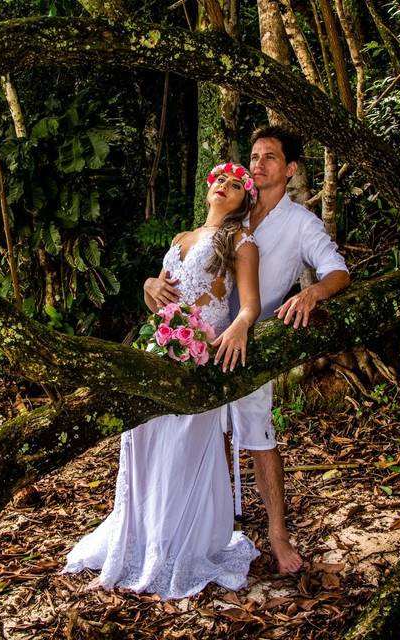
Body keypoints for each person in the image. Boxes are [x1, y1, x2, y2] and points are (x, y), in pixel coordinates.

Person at [144, 127, 350, 574]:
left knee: (258, 438)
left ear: (290, 169)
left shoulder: (301, 224)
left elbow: (337, 270)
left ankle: (277, 535)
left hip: (253, 344)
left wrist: (311, 295)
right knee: (202, 434)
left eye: (270, 157)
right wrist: (151, 285)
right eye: (254, 156)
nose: (258, 164)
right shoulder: (236, 209)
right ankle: (208, 526)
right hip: (201, 341)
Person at [64, 162, 263, 599]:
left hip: (199, 362)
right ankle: (142, 539)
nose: (225, 188)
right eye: (220, 182)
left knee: (181, 449)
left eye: (235, 185)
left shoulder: (241, 242)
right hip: (160, 351)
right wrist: (149, 283)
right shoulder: (179, 239)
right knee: (145, 443)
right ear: (209, 188)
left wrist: (240, 325)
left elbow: (249, 304)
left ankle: (179, 547)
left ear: (245, 199)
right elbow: (159, 295)